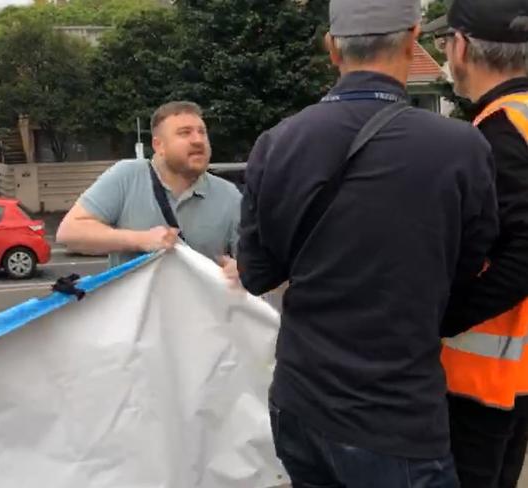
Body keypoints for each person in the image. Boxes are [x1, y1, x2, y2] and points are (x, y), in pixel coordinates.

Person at [237, 0, 499, 486]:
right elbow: (469, 264)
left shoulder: (276, 144)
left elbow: (256, 275)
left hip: (300, 403)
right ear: (412, 37)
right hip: (397, 417)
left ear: (332, 49)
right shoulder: (461, 148)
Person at [426, 1, 528, 486]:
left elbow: (523, 253)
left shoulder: (499, 131)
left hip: (484, 379)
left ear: (460, 46)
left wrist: (439, 319)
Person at [57, 101, 241, 281]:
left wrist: (243, 271)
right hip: (135, 311)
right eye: (185, 133)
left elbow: (253, 261)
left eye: (202, 132)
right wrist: (141, 240)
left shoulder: (229, 196)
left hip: (201, 311)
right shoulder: (127, 176)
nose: (198, 140)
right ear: (158, 145)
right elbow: (70, 232)